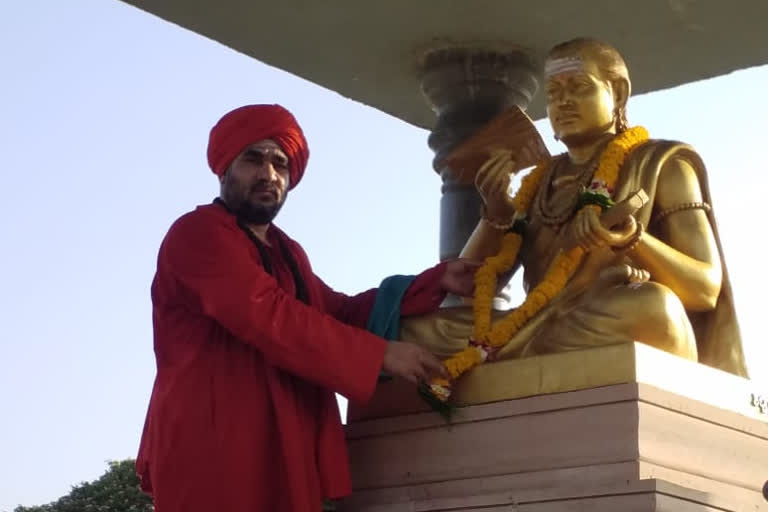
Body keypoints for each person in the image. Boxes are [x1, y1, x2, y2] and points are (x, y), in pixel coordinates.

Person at [136, 104, 479, 511]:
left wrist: (434, 281)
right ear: (224, 166)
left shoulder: (286, 253)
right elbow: (270, 316)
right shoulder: (198, 234)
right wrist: (380, 355)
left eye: (280, 163)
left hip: (280, 444)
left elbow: (335, 313)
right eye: (253, 159)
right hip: (216, 446)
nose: (269, 174)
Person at [401, 38, 747, 379]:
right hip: (544, 321)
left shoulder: (660, 165)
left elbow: (704, 290)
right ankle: (512, 352)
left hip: (611, 313)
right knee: (409, 331)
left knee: (656, 309)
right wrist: (496, 215)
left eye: (579, 87)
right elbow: (474, 290)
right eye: (553, 93)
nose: (563, 102)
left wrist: (633, 240)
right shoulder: (538, 183)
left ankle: (501, 356)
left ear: (619, 94)